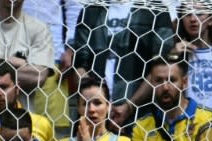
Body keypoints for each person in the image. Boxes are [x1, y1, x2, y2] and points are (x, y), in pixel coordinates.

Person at [70, 0, 175, 132]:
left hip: (141, 114)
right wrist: (100, 105)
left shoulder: (154, 9)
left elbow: (160, 68)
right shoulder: (91, 10)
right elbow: (79, 65)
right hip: (94, 118)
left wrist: (129, 107)